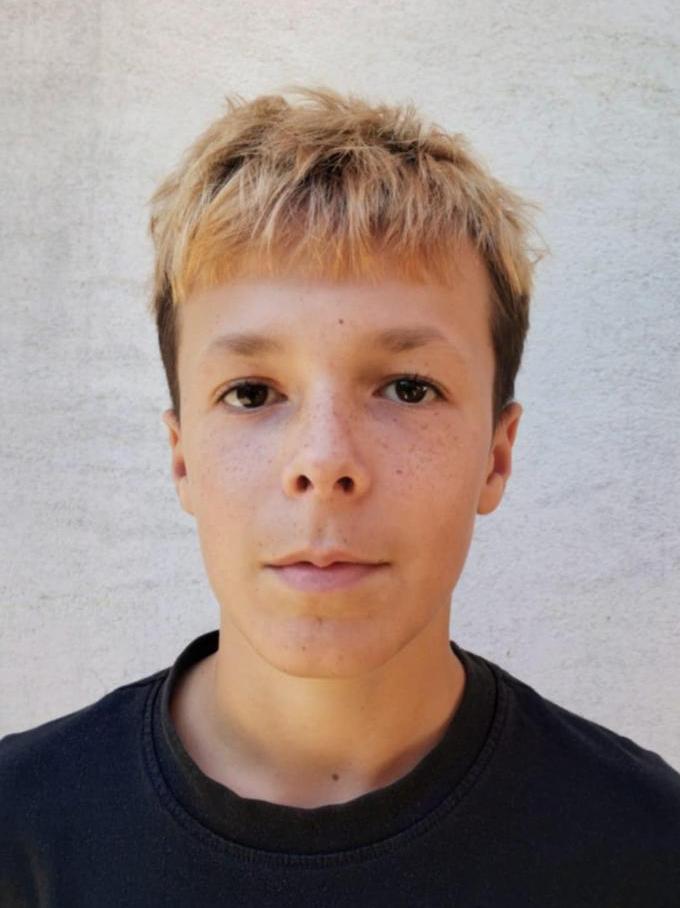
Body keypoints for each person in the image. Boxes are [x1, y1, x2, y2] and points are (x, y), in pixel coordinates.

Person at [1, 84, 678, 907]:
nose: (323, 463)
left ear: (497, 457)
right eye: (251, 393)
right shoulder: (21, 833)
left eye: (408, 388)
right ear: (182, 460)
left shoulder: (647, 847)